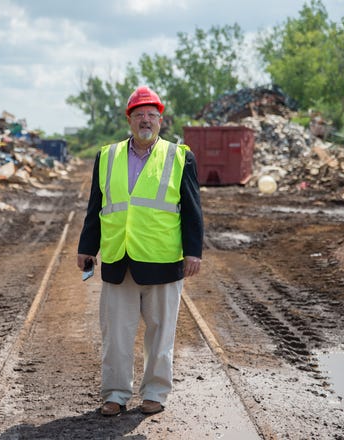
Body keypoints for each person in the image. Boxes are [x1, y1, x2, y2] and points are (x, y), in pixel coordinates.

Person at [77, 85, 204, 417]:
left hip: (163, 260)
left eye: (151, 115)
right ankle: (115, 394)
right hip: (120, 259)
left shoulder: (179, 156)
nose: (145, 120)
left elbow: (192, 209)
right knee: (116, 334)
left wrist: (193, 251)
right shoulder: (107, 156)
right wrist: (87, 247)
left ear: (160, 120)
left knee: (161, 334)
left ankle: (155, 393)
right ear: (129, 120)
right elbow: (97, 205)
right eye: (139, 115)